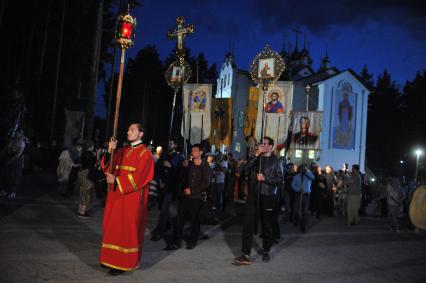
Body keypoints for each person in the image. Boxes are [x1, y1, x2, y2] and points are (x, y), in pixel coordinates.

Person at [99, 123, 154, 276]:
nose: (128, 131)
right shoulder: (123, 150)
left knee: (125, 231)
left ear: (141, 133)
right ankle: (109, 258)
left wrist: (116, 180)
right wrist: (110, 151)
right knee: (112, 227)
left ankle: (122, 264)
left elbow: (141, 177)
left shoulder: (145, 154)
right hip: (116, 196)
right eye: (128, 129)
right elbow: (107, 167)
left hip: (131, 199)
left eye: (132, 130)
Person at [234, 137, 283, 265]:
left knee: (267, 225)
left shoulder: (276, 161)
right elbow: (244, 170)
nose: (262, 146)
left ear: (271, 147)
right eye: (261, 144)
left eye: (265, 144)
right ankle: (245, 254)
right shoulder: (257, 158)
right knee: (248, 224)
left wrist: (265, 179)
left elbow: (280, 180)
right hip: (253, 195)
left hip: (268, 196)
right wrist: (255, 155)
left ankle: (266, 249)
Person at [166, 144, 211, 250]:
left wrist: (192, 190)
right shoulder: (188, 164)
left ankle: (192, 241)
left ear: (200, 152)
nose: (193, 152)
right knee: (179, 220)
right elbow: (181, 178)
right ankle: (176, 242)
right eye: (192, 150)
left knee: (194, 220)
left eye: (195, 150)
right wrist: (183, 168)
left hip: (196, 197)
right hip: (185, 197)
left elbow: (206, 183)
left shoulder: (205, 166)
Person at [151, 139, 183, 241]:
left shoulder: (179, 157)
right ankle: (170, 225)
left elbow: (180, 172)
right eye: (168, 143)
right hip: (162, 187)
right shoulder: (164, 156)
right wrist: (159, 180)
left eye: (171, 143)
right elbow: (158, 169)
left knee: (164, 208)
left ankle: (159, 231)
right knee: (163, 208)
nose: (169, 145)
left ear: (175, 145)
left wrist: (171, 166)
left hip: (171, 187)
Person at [291, 163, 315, 233]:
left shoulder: (309, 176)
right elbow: (293, 185)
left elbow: (313, 177)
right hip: (298, 194)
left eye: (304, 168)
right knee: (295, 210)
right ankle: (296, 220)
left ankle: (303, 226)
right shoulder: (297, 176)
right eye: (302, 168)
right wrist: (298, 189)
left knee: (305, 211)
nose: (303, 169)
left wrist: (307, 170)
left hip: (306, 195)